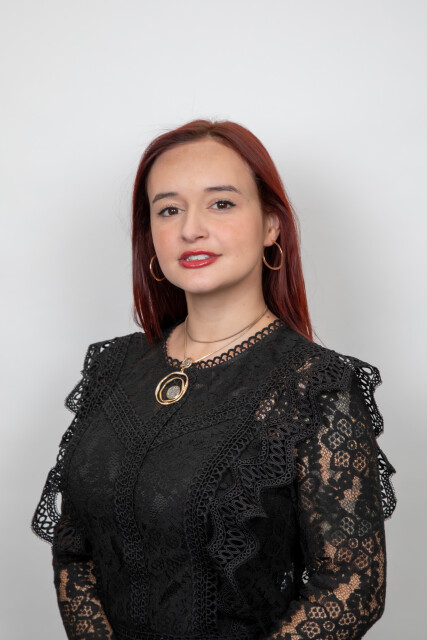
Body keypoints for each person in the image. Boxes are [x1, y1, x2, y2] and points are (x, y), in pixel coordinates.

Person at [31, 119, 397, 640]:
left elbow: (351, 589)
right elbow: (74, 550)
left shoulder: (315, 387)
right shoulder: (112, 367)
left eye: (221, 203)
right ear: (150, 235)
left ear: (271, 225)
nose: (190, 229)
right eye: (169, 209)